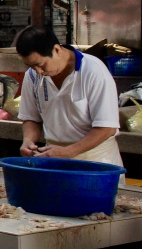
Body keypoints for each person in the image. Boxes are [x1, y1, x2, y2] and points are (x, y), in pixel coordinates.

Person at [15, 25, 122, 166]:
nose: (38, 71)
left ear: (57, 50)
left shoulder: (93, 71)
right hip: (54, 160)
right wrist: (28, 140)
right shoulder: (32, 75)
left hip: (96, 163)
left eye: (41, 64)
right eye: (30, 66)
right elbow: (31, 118)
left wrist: (69, 151)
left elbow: (107, 127)